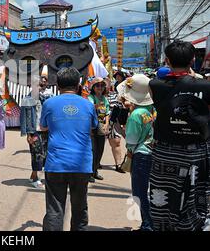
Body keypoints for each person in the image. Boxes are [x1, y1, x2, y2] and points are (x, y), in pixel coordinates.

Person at [149, 41, 210, 231]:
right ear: (193, 60)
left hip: (165, 153)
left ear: (167, 60)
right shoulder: (206, 86)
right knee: (196, 198)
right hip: (196, 152)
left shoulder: (155, 85)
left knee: (164, 199)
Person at [40, 67, 98, 231]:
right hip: (82, 164)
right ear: (78, 84)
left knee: (54, 209)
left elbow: (43, 127)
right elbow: (93, 127)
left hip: (56, 163)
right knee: (80, 209)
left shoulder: (49, 103)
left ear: (57, 85)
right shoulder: (88, 105)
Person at [117, 74, 155, 231]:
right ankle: (151, 222)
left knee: (139, 191)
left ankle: (147, 224)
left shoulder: (135, 115)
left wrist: (121, 131)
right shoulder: (151, 110)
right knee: (149, 190)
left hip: (140, 155)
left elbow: (131, 141)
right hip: (152, 151)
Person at [21, 75, 52, 189]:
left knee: (45, 154)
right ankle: (35, 178)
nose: (42, 85)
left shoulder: (48, 96)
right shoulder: (28, 98)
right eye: (39, 83)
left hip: (46, 129)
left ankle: (33, 175)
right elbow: (26, 117)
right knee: (37, 154)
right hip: (35, 131)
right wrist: (29, 133)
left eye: (44, 83)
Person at [88, 77, 110, 182]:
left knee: (100, 150)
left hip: (101, 127)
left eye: (102, 85)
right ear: (93, 87)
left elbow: (107, 113)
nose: (100, 88)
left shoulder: (105, 99)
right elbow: (91, 107)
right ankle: (90, 173)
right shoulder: (91, 97)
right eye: (97, 85)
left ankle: (95, 171)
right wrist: (97, 105)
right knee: (93, 150)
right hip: (92, 128)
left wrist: (106, 124)